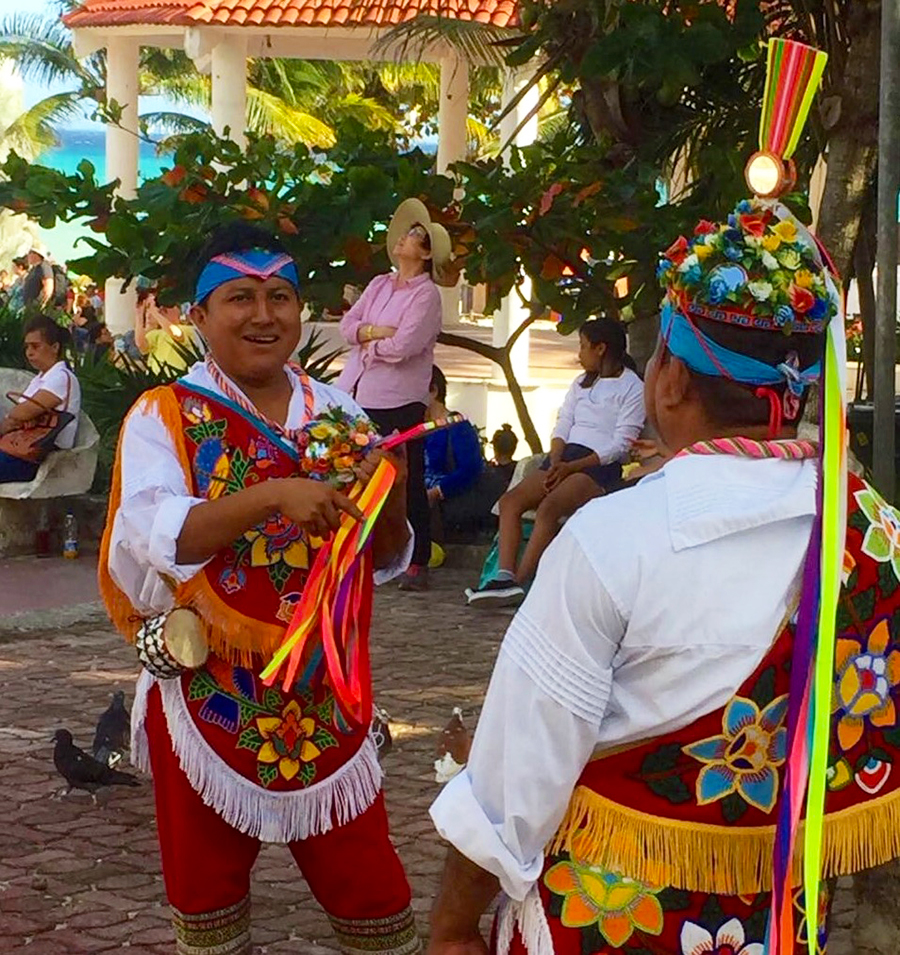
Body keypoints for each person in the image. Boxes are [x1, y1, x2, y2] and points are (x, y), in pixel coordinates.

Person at [426, 200, 900, 955]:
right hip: (775, 926)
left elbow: (516, 780)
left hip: (605, 923)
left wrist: (452, 929)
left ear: (670, 380)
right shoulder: (875, 535)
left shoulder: (613, 539)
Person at [98, 223, 421, 955]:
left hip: (322, 694)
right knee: (208, 910)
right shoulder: (165, 416)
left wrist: (391, 500)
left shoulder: (342, 415)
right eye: (238, 297)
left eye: (280, 295)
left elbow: (387, 554)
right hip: (208, 692)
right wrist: (274, 495)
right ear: (200, 314)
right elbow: (160, 536)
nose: (264, 314)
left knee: (376, 900)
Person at [467, 318, 644, 608]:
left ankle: (520, 580)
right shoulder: (581, 383)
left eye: (584, 347)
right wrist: (557, 459)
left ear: (601, 349)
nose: (580, 353)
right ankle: (503, 575)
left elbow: (620, 444)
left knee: (549, 509)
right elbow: (563, 424)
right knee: (511, 502)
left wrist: (572, 467)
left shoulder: (632, 387)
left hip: (596, 465)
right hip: (564, 458)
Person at [336, 198, 451, 593]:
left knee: (406, 475)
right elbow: (348, 326)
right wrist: (373, 334)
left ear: (425, 252)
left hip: (398, 397)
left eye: (415, 237)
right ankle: (359, 549)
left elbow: (404, 345)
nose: (404, 239)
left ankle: (415, 557)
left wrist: (370, 340)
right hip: (356, 388)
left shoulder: (427, 295)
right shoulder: (379, 284)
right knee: (351, 468)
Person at [0, 314, 81, 483]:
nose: (29, 352)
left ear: (55, 347)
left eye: (35, 346)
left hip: (39, 457)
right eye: (27, 347)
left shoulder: (61, 377)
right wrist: (21, 417)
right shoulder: (40, 378)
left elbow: (20, 412)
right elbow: (19, 415)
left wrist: (22, 417)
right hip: (20, 449)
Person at [424, 366, 485, 545]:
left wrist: (436, 492)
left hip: (448, 513)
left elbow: (471, 468)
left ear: (433, 391)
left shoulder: (457, 426)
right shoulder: (417, 428)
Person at [135, 291, 198, 373]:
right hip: (158, 379)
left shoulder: (188, 330)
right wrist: (139, 314)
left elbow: (176, 334)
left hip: (177, 377)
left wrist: (154, 312)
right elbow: (141, 345)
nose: (161, 311)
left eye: (165, 310)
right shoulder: (156, 334)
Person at [22, 244, 55, 309]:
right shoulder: (34, 269)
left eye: (30, 253)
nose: (28, 256)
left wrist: (41, 305)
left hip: (35, 307)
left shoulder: (44, 267)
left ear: (36, 254)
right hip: (29, 306)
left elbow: (48, 287)